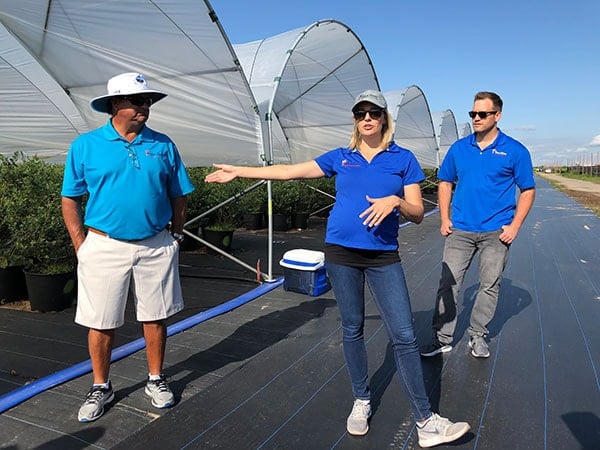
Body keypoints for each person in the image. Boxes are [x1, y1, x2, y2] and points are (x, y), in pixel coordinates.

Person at [205, 90, 470, 447]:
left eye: (374, 112)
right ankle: (361, 400)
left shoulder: (403, 159)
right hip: (341, 254)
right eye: (360, 113)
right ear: (355, 120)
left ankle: (425, 421)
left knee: (404, 335)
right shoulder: (341, 158)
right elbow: (288, 171)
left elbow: (418, 213)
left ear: (384, 118)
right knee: (352, 328)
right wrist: (240, 171)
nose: (367, 118)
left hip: (382, 256)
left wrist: (395, 202)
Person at [61, 72, 194, 422]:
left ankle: (155, 379)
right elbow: (70, 198)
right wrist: (81, 244)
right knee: (101, 320)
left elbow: (178, 195)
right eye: (137, 101)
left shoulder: (164, 145)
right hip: (104, 246)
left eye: (147, 101)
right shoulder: (86, 146)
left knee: (156, 315)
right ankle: (101, 386)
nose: (144, 107)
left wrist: (176, 236)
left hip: (155, 244)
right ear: (115, 105)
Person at [421, 91, 536, 359]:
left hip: (496, 232)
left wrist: (515, 226)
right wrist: (444, 217)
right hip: (460, 229)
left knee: (489, 285)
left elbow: (528, 190)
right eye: (473, 113)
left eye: (482, 114)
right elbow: (445, 182)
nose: (476, 118)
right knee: (448, 284)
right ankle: (442, 338)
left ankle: (478, 335)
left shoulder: (514, 150)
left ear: (498, 115)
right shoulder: (459, 149)